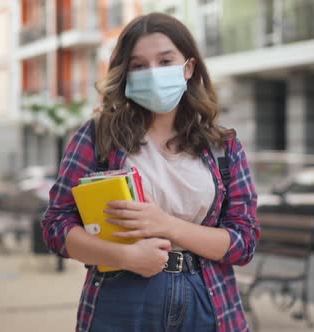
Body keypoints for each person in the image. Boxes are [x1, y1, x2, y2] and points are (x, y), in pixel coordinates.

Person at [41, 13, 260, 332]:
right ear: (126, 73)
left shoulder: (223, 147)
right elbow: (56, 225)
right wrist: (125, 257)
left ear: (188, 67)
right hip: (122, 297)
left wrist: (166, 225)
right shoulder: (98, 137)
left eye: (165, 60)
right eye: (139, 65)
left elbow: (244, 242)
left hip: (208, 299)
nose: (153, 73)